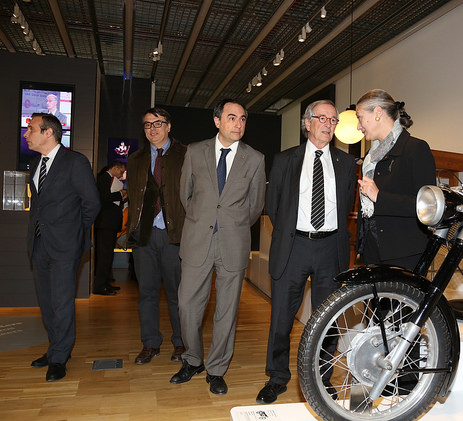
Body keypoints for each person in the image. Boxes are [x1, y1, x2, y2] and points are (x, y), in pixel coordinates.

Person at [256, 100, 357, 404]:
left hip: (331, 248)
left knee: (328, 319)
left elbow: (347, 205)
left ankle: (321, 378)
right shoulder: (285, 159)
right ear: (308, 123)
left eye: (333, 120)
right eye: (322, 118)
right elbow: (273, 205)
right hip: (294, 246)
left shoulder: (345, 163)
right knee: (281, 318)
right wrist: (293, 232)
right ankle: (277, 377)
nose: (328, 124)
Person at [170, 99, 266, 395]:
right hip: (197, 240)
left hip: (233, 243)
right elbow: (185, 195)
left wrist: (231, 224)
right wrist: (204, 219)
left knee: (227, 311)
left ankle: (217, 369)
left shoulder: (255, 158)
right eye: (232, 117)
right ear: (217, 121)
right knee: (187, 306)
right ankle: (192, 359)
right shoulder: (195, 151)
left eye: (243, 119)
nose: (238, 124)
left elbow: (255, 206)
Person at [25, 113, 100, 382]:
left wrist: (75, 233)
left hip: (65, 246)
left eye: (31, 129)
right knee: (47, 303)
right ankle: (54, 348)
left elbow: (92, 203)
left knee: (62, 303)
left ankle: (59, 357)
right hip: (39, 244)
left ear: (48, 133)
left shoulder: (75, 162)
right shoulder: (36, 163)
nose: (26, 134)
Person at [125, 107, 188, 365]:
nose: (152, 128)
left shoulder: (186, 155)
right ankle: (150, 343)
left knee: (178, 295)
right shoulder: (135, 159)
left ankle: (181, 343)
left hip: (176, 236)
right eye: (148, 124)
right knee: (147, 294)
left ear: (169, 126)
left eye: (158, 123)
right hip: (145, 237)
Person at [355, 89, 436, 270]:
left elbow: (428, 206)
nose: (358, 127)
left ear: (378, 113)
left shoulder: (415, 148)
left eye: (360, 118)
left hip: (404, 253)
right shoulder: (369, 157)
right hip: (372, 251)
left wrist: (380, 197)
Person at [93, 161, 127, 296]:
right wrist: (121, 194)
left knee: (107, 256)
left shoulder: (109, 179)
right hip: (105, 224)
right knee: (104, 256)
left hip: (109, 224)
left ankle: (105, 283)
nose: (121, 175)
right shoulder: (104, 178)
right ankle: (99, 286)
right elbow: (104, 197)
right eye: (121, 171)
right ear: (115, 168)